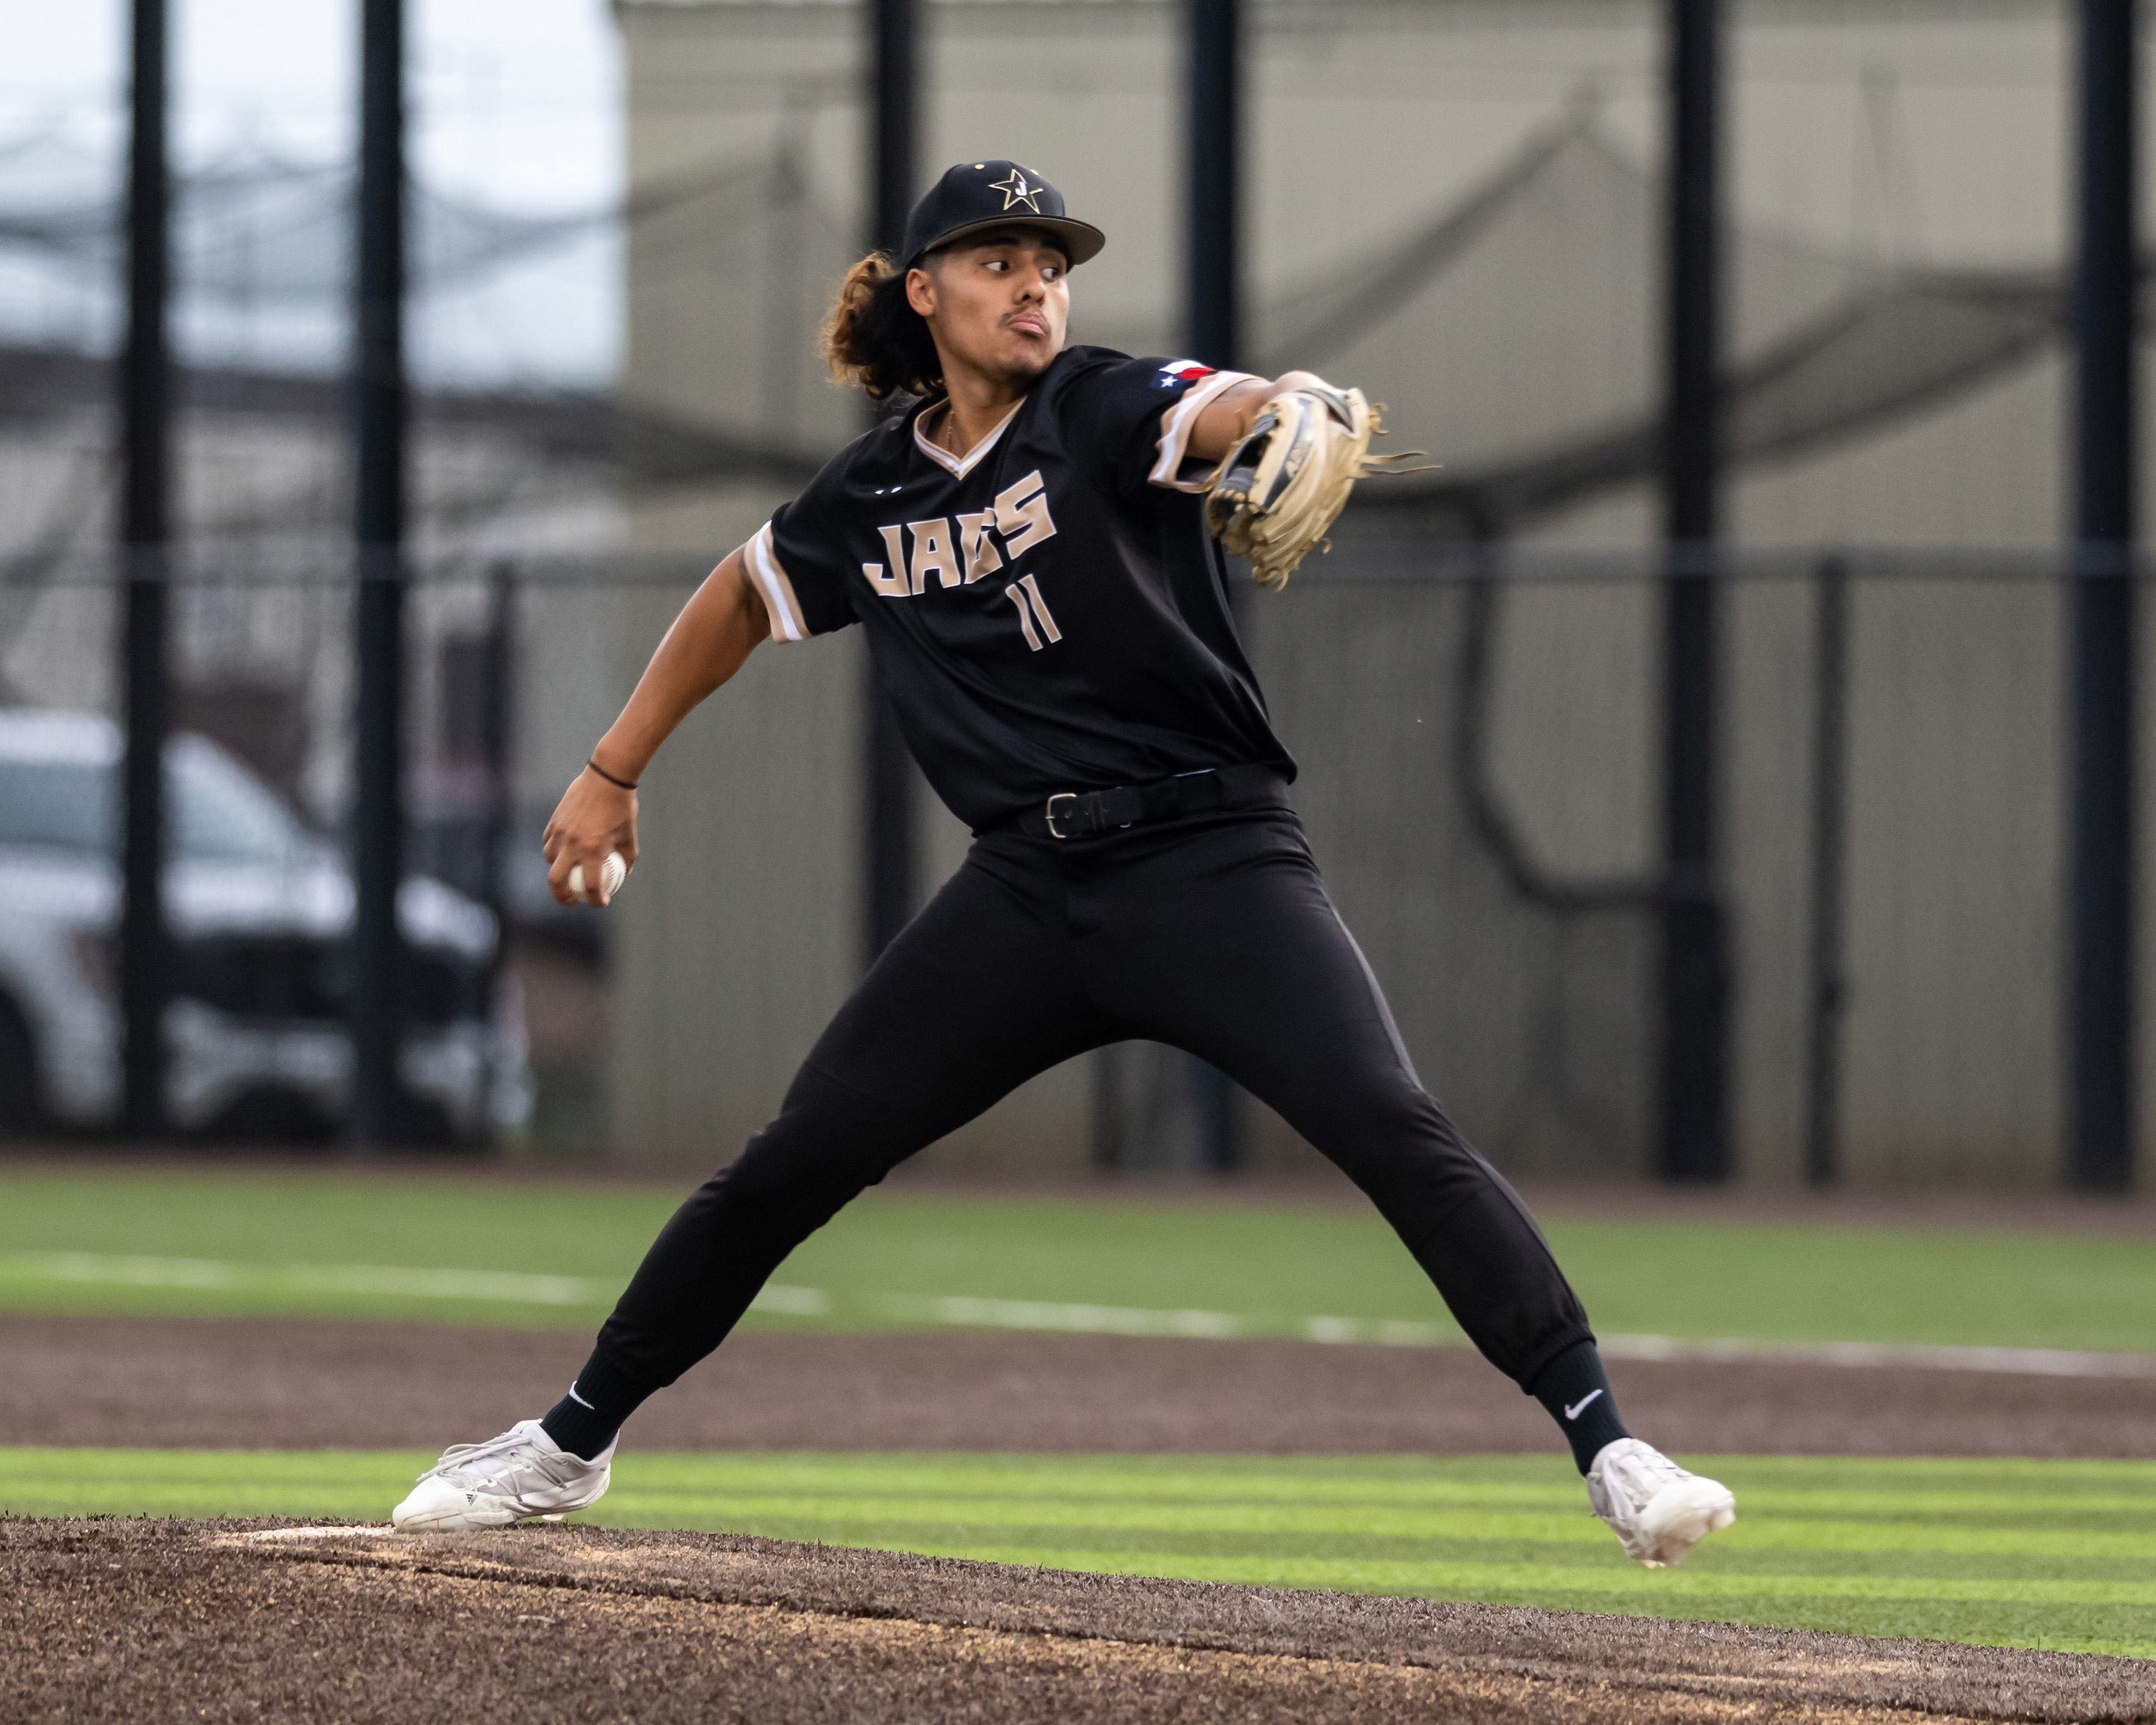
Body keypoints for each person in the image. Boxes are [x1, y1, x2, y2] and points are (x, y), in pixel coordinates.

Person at [392, 160, 1735, 1568]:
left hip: (1213, 863)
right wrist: (613, 770)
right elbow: (741, 591)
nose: (1036, 283)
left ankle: (1613, 1451)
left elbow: (1211, 407)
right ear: (924, 292)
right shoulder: (876, 492)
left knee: (1392, 1128)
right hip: (1025, 894)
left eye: (1051, 261)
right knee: (794, 1164)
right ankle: (565, 1445)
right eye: (997, 260)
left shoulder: (1094, 405)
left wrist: (1279, 405)